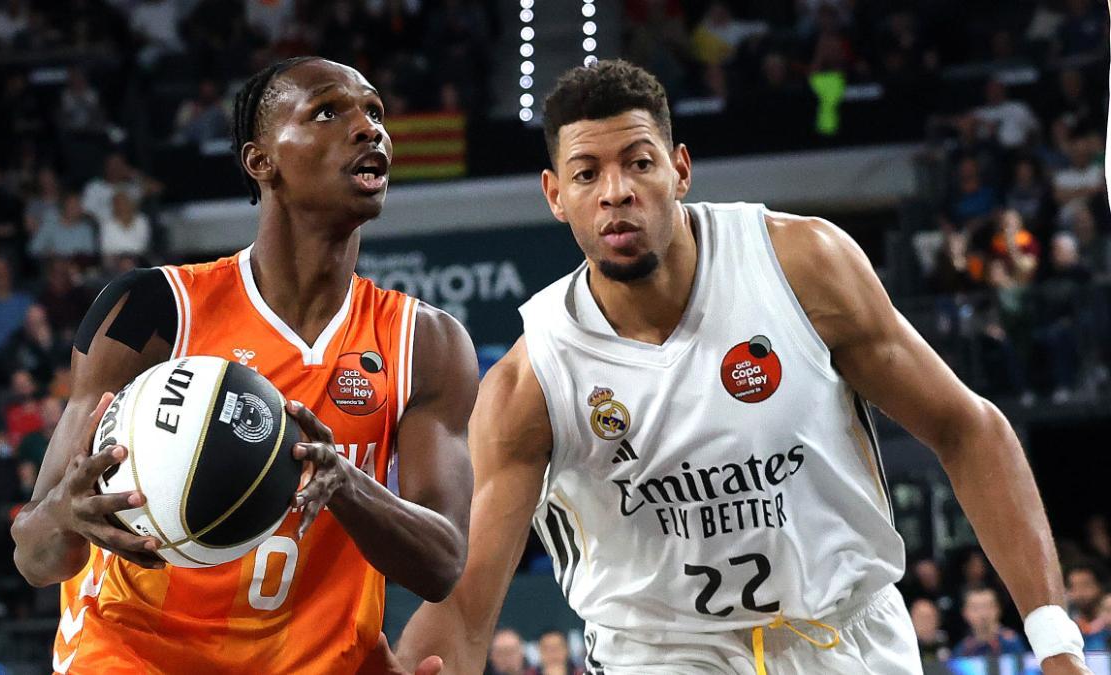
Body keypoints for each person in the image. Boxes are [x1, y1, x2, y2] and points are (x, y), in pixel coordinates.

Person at [395, 60, 1091, 674]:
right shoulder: (531, 379)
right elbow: (465, 605)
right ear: (555, 195)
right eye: (587, 173)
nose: (616, 191)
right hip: (661, 654)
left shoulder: (803, 266)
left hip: (848, 634)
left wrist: (1057, 643)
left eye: (639, 162)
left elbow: (968, 429)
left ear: (681, 169)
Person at [10, 56, 476, 674]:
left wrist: (347, 482)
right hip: (131, 654)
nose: (369, 129)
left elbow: (441, 565)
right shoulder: (152, 310)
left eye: (374, 113)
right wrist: (65, 515)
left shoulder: (428, 343)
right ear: (261, 161)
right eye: (329, 112)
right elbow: (36, 560)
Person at [954, 588, 1028, 657]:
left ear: (998, 609)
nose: (983, 614)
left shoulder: (1012, 641)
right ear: (965, 613)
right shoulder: (962, 648)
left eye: (988, 606)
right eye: (975, 608)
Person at [1066, 566, 1106, 638]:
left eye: (1086, 585)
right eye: (1074, 587)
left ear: (1100, 587)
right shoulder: (1067, 622)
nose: (1080, 593)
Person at [910, 598, 950, 662]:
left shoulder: (944, 642)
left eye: (929, 617)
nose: (925, 622)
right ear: (911, 620)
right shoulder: (906, 644)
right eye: (921, 617)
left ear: (938, 620)